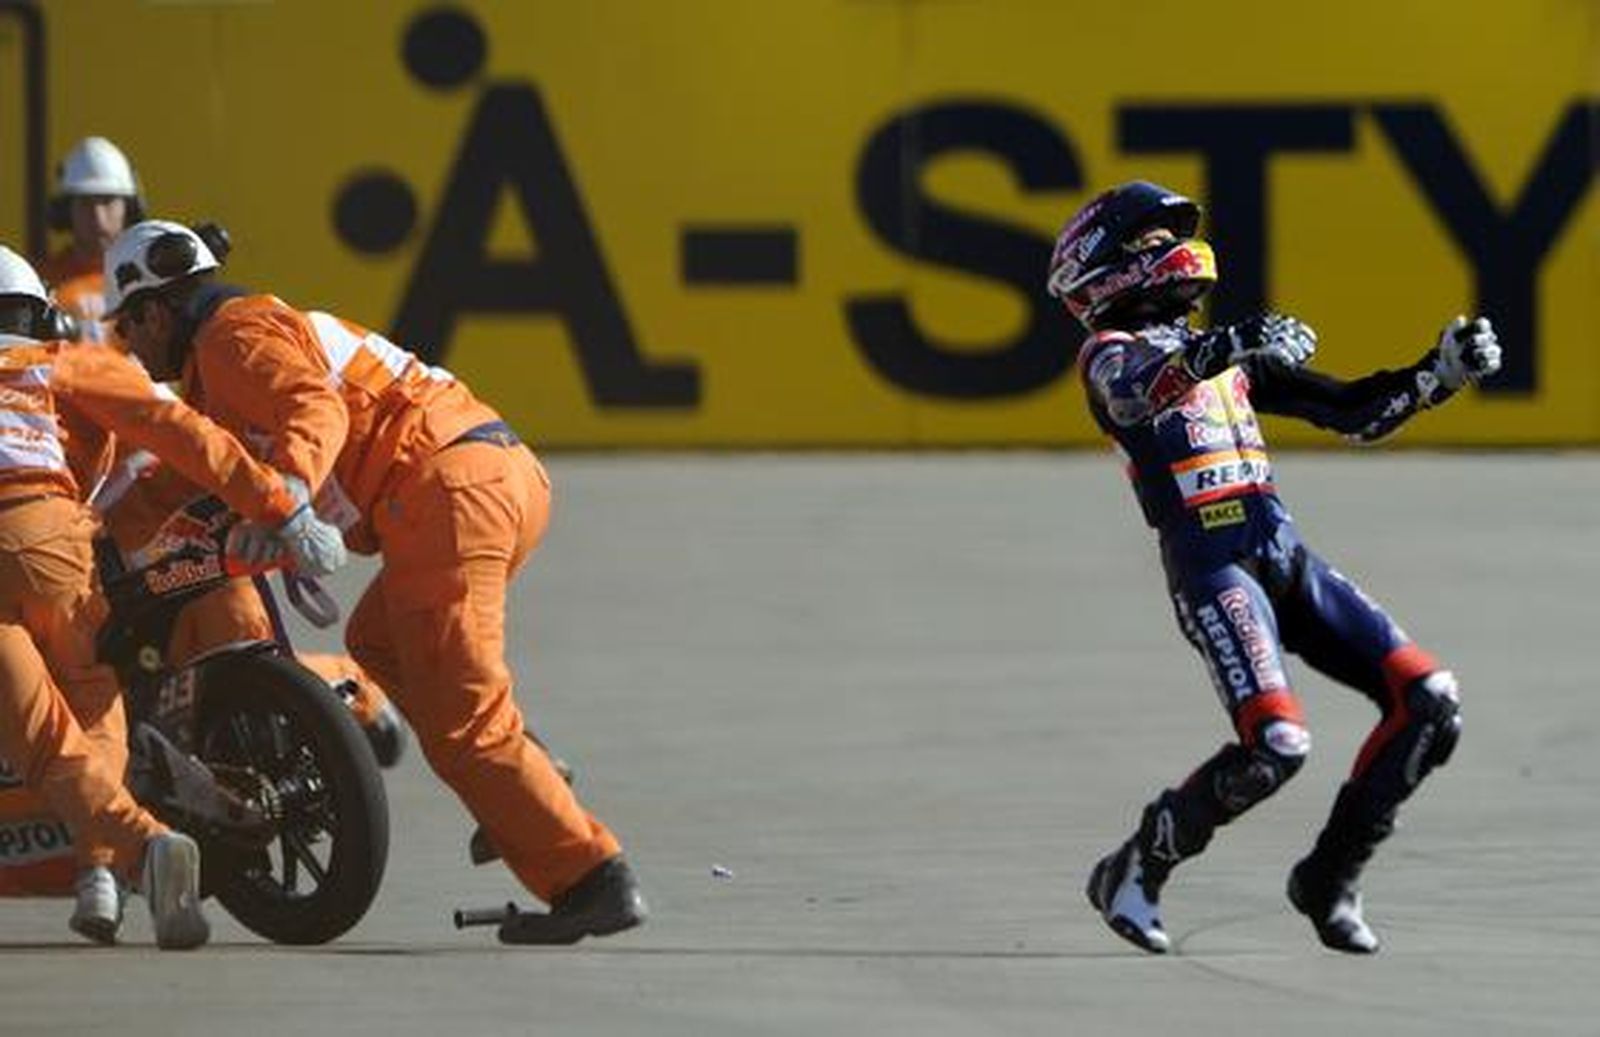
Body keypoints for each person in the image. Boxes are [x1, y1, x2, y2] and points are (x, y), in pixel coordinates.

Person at [103, 219, 647, 944]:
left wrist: (291, 490)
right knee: (377, 643)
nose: (128, 349)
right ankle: (530, 778)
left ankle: (592, 876)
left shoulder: (229, 340)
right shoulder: (236, 351)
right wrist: (99, 535)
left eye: (126, 329)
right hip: (492, 476)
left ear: (156, 309)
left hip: (445, 495)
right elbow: (190, 473)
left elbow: (314, 409)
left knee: (466, 722)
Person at [1045, 182, 1502, 954]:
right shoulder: (1111, 354)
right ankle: (1135, 865)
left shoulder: (1219, 358)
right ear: (1107, 269)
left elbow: (1351, 411)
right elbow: (1131, 398)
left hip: (1283, 555)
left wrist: (1438, 375)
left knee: (1429, 702)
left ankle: (1326, 878)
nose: (1172, 254)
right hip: (1212, 566)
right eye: (1152, 246)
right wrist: (1223, 347)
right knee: (1277, 746)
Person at [0, 244, 346, 947]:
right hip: (51, 539)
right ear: (38, 314)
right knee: (92, 692)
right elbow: (182, 431)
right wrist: (281, 506)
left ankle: (131, 850)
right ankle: (106, 865)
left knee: (40, 735)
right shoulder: (61, 359)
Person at [35, 136, 143, 344]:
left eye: (108, 201)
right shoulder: (38, 284)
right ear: (66, 211)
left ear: (129, 207)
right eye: (86, 203)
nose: (97, 217)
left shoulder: (151, 283)